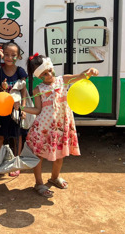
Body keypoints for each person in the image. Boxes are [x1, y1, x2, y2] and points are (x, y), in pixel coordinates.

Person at [14, 54, 99, 197]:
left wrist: (90, 71)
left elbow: (80, 76)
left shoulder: (63, 80)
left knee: (60, 156)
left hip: (61, 127)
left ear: (52, 67)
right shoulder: (37, 90)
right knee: (38, 156)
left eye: (49, 71)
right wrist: (21, 108)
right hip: (44, 129)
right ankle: (38, 183)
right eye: (43, 74)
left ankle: (54, 177)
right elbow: (37, 110)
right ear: (38, 76)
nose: (48, 75)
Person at [0, 41, 28, 177]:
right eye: (6, 54)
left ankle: (16, 163)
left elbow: (23, 91)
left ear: (19, 57)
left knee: (17, 137)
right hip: (2, 111)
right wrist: (3, 87)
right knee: (0, 136)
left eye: (13, 55)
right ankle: (0, 162)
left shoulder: (20, 71)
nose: (9, 57)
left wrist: (22, 107)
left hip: (16, 111)